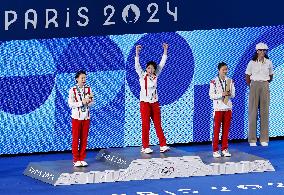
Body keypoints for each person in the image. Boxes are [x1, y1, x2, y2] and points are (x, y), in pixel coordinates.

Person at [135, 43, 170, 154]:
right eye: (149, 68)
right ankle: (145, 146)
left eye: (152, 68)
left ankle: (163, 145)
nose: (150, 70)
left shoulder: (156, 75)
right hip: (145, 103)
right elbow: (137, 65)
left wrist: (165, 50)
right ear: (146, 68)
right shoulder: (142, 75)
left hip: (155, 103)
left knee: (158, 124)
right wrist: (137, 52)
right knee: (146, 125)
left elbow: (162, 63)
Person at [245, 42, 274, 147]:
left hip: (265, 85)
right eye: (261, 50)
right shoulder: (251, 63)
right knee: (253, 112)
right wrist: (253, 86)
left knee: (264, 112)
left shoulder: (269, 62)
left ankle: (264, 139)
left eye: (264, 50)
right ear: (257, 51)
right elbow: (247, 76)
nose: (263, 52)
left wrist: (264, 83)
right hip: (254, 86)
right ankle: (252, 139)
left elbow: (271, 76)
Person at [68, 70, 94, 167]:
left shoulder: (88, 89)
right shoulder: (72, 90)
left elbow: (92, 103)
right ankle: (76, 159)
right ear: (77, 79)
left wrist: (88, 102)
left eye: (85, 78)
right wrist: (81, 103)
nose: (84, 80)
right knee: (76, 138)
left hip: (86, 117)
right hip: (76, 117)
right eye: (82, 78)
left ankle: (82, 158)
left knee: (84, 138)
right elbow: (70, 104)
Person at [209, 62, 235, 158]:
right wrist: (221, 94)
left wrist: (229, 93)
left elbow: (233, 95)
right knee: (216, 130)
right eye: (223, 69)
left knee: (226, 130)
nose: (225, 71)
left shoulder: (230, 81)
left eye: (226, 69)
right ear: (219, 70)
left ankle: (224, 149)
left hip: (228, 108)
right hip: (218, 108)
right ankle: (215, 150)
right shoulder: (214, 81)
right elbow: (211, 95)